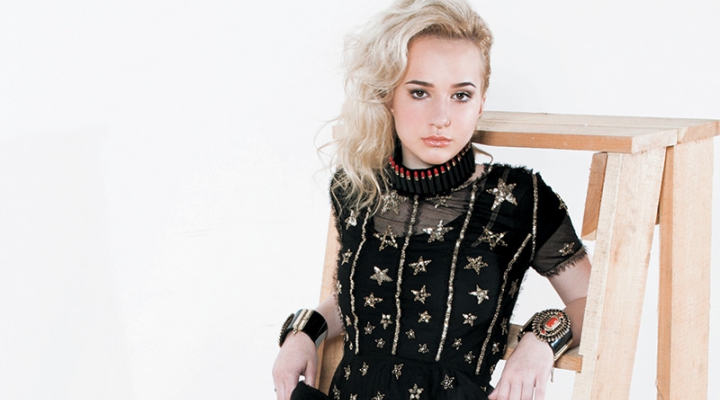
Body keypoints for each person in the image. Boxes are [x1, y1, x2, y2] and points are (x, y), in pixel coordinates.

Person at [272, 0, 592, 399]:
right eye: (420, 92)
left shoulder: (516, 198)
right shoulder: (355, 188)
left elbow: (594, 302)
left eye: (461, 95)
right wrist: (304, 330)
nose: (441, 117)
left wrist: (541, 338)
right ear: (389, 96)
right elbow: (368, 300)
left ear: (482, 101)